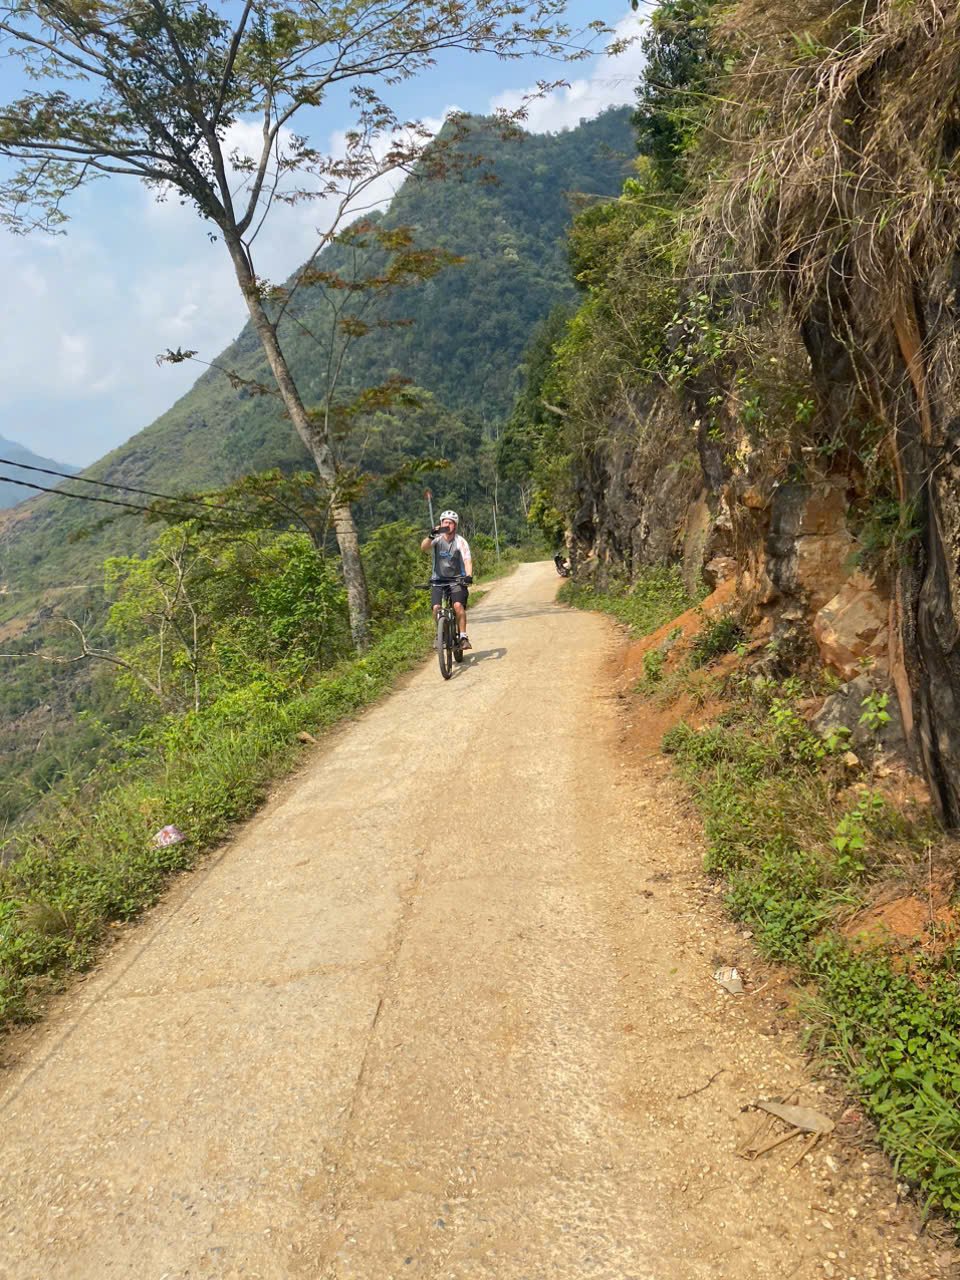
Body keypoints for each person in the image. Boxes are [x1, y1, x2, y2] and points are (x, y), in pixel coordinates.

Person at [420, 510, 473, 650]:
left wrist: (468, 575)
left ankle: (463, 636)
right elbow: (424, 547)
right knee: (436, 608)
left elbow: (467, 560)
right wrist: (431, 535)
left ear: (455, 526)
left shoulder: (460, 541)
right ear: (441, 523)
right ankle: (440, 634)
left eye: (450, 522)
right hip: (438, 580)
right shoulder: (436, 539)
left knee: (457, 606)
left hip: (457, 581)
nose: (447, 524)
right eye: (445, 522)